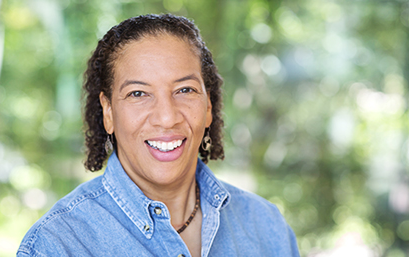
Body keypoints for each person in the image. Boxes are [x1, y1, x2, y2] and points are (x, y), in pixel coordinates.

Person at [17, 14, 300, 257]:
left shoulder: (267, 228)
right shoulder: (58, 244)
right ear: (108, 113)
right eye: (138, 94)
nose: (167, 117)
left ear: (209, 106)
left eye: (185, 90)